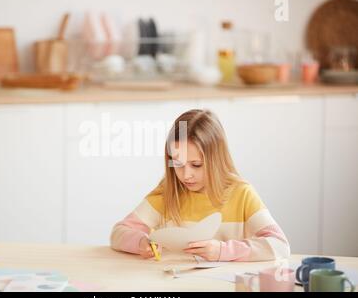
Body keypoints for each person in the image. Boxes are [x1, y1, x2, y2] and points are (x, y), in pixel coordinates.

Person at [110, 109, 290, 261]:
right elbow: (118, 233)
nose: (186, 175)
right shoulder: (168, 192)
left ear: (216, 160)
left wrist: (222, 251)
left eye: (196, 165)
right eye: (178, 164)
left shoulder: (241, 194)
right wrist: (141, 242)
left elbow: (279, 245)